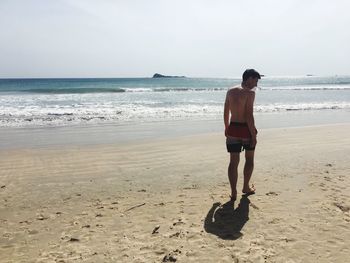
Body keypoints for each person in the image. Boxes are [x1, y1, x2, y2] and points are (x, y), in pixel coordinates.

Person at [223, 69, 261, 201]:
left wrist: (227, 127)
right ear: (249, 78)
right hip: (245, 129)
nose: (256, 85)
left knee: (233, 162)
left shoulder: (230, 91)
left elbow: (226, 110)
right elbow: (249, 115)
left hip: (233, 129)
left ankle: (233, 192)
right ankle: (245, 187)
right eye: (255, 81)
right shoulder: (250, 93)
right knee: (249, 159)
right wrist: (254, 136)